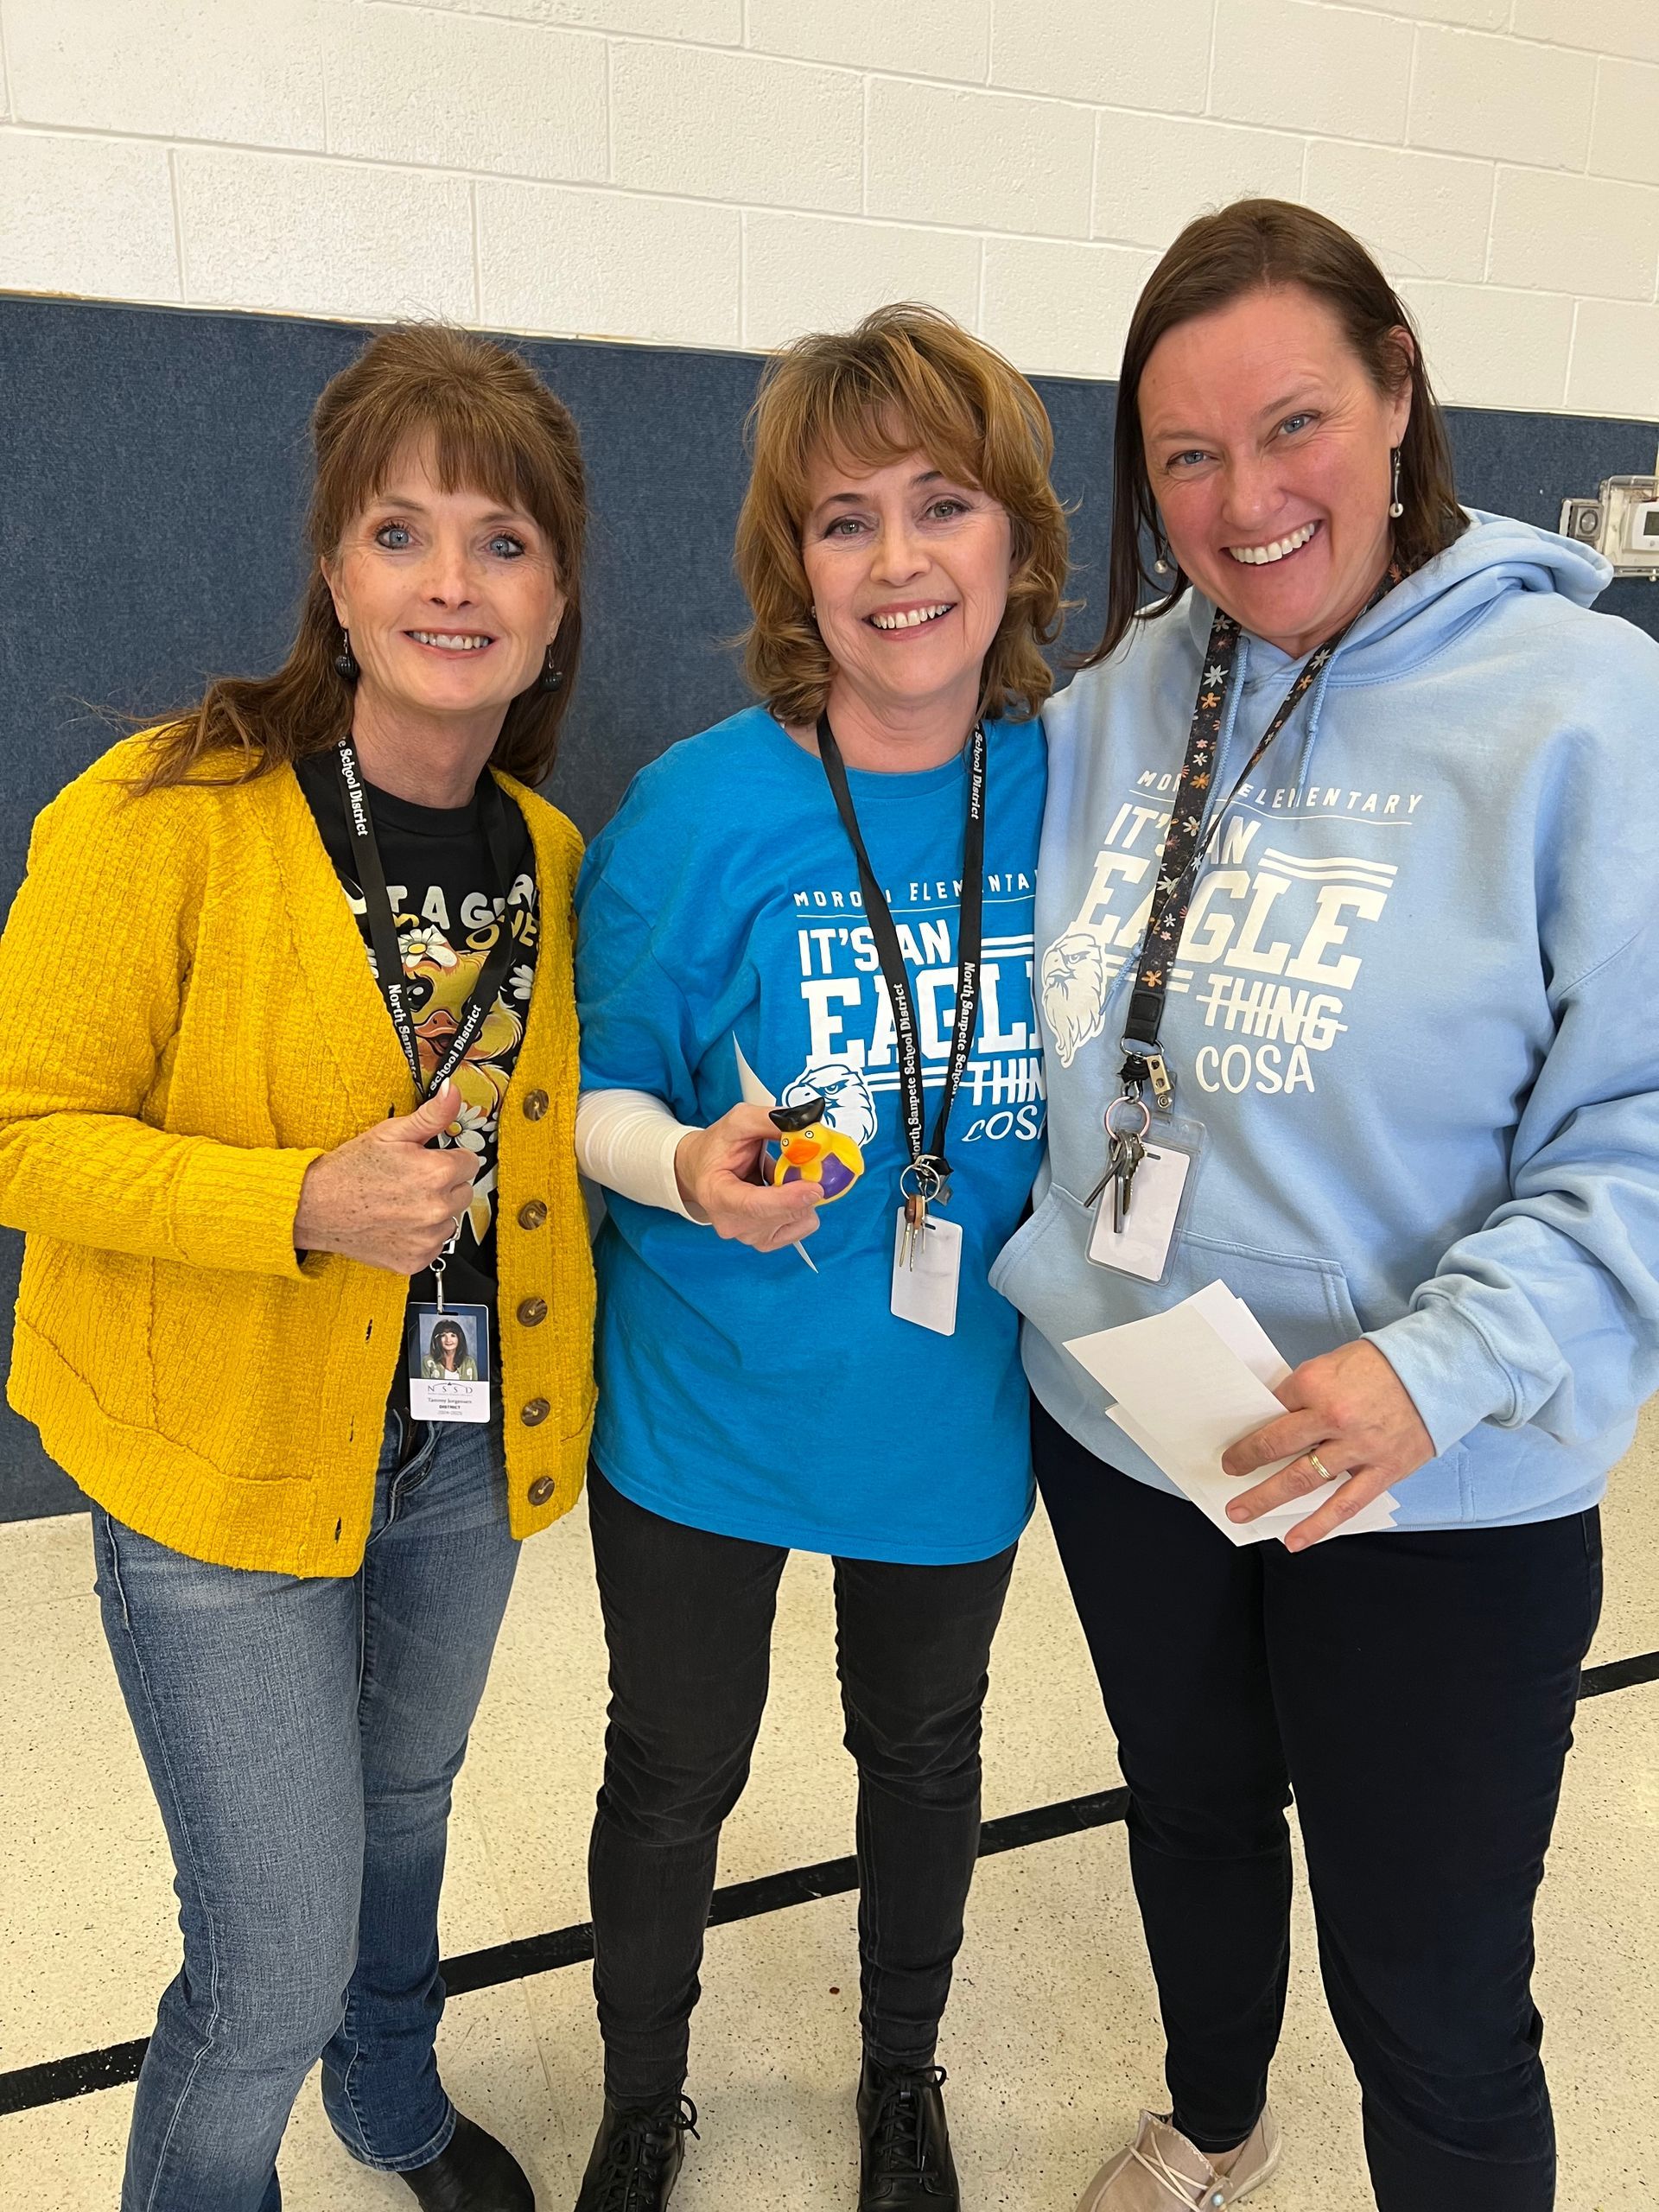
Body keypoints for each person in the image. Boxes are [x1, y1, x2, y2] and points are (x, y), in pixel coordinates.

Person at [991, 198, 1659, 2212]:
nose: (1241, 496)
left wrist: (1431, 1366)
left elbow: (1637, 1134)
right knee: (1189, 1811)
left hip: (1431, 1480)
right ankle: (1214, 2117)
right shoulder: (1116, 701)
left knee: (1433, 1974)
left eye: (1288, 425)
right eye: (1182, 456)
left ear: (1395, 394)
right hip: (1135, 1418)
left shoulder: (1585, 710)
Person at [0, 325, 596, 2212]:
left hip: (456, 1455)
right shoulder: (154, 814)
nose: (449, 581)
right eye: (399, 531)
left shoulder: (556, 855)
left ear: (558, 594)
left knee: (406, 1817)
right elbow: (22, 1131)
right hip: (214, 1462)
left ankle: (396, 2095)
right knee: (261, 1964)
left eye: (501, 541)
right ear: (332, 572)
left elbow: (557, 1141)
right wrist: (292, 1203)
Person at [569, 304, 1068, 2211]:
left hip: (948, 1407)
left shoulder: (1066, 781)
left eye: (942, 504)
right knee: (674, 1767)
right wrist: (688, 1166)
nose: (897, 559)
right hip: (707, 1397)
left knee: (923, 1755)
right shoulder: (701, 806)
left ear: (1014, 535)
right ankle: (641, 2090)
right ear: (795, 560)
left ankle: (898, 2076)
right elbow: (599, 1093)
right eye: (843, 517)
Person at [425, 1318, 480, 1382]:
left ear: (459, 1338)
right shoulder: (427, 1362)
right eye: (443, 1335)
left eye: (453, 1336)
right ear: (437, 1339)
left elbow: (476, 1390)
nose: (448, 1340)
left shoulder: (469, 1362)